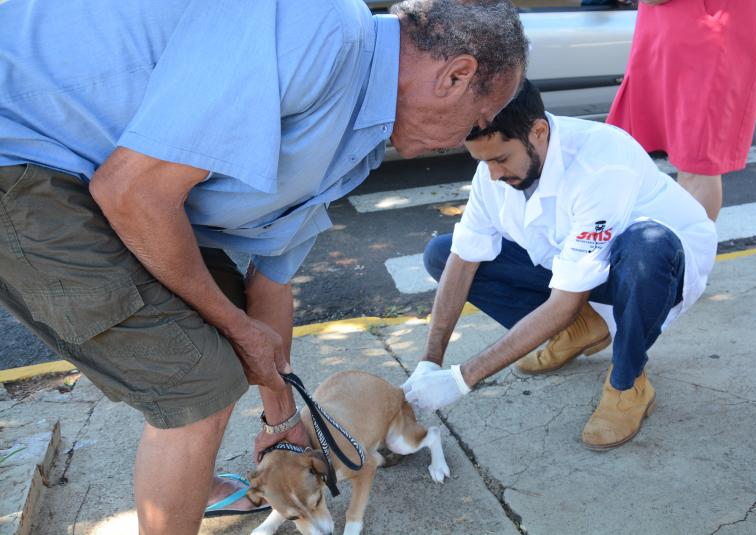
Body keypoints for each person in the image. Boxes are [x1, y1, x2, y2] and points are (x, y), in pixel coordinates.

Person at [0, 0, 526, 533]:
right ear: (456, 76)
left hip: (112, 178)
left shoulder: (357, 143)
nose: (472, 138)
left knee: (223, 333)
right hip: (25, 151)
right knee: (195, 382)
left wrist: (284, 419)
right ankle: (181, 482)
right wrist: (237, 330)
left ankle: (186, 482)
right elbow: (132, 192)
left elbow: (269, 283)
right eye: (480, 119)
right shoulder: (320, 29)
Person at [403, 80, 716, 450]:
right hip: (577, 263)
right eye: (483, 162)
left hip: (658, 267)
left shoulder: (600, 163)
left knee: (647, 247)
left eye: (501, 159)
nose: (493, 175)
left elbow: (566, 297)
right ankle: (583, 327)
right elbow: (464, 259)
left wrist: (462, 379)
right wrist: (430, 361)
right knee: (441, 253)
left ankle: (628, 384)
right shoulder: (496, 169)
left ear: (538, 131)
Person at [606, 0, 756, 221]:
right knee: (689, 164)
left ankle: (691, 251)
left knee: (695, 165)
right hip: (680, 34)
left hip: (699, 39)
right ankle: (686, 247)